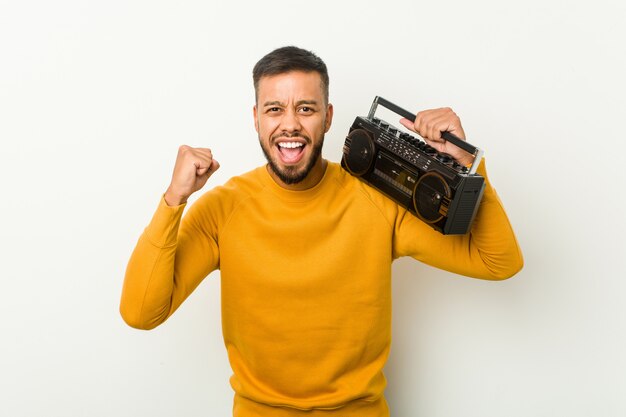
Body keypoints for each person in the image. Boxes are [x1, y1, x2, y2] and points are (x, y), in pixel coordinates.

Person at [120, 45, 523, 417]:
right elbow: (141, 313)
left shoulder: (376, 201)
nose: (290, 125)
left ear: (328, 116)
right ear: (256, 117)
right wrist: (174, 198)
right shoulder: (223, 209)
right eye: (275, 109)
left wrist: (467, 165)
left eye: (306, 109)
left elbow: (497, 261)